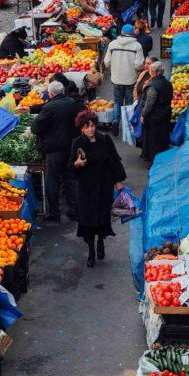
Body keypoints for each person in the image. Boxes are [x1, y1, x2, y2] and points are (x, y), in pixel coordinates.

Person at [70, 109, 126, 267]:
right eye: (86, 126)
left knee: (102, 216)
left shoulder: (105, 139)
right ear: (81, 128)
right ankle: (91, 251)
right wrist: (77, 164)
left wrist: (118, 181)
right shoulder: (78, 143)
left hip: (103, 186)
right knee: (88, 220)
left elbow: (114, 160)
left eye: (92, 125)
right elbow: (70, 166)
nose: (90, 129)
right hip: (86, 189)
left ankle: (101, 241)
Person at [31, 80, 80, 223]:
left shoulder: (50, 107)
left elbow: (36, 127)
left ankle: (54, 213)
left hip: (54, 149)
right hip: (71, 147)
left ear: (50, 93)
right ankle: (74, 210)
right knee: (69, 180)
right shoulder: (72, 103)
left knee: (52, 181)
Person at [104, 23, 144, 134]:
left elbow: (106, 62)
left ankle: (116, 122)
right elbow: (138, 65)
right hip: (130, 78)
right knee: (130, 102)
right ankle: (129, 125)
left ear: (121, 33)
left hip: (116, 79)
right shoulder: (137, 46)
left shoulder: (112, 44)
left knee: (117, 102)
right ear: (132, 34)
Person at [140, 60, 173, 163]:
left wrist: (143, 114)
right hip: (166, 114)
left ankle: (154, 160)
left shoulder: (153, 86)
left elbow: (149, 103)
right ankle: (163, 157)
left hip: (154, 116)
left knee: (154, 139)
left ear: (153, 72)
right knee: (163, 137)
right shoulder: (168, 83)